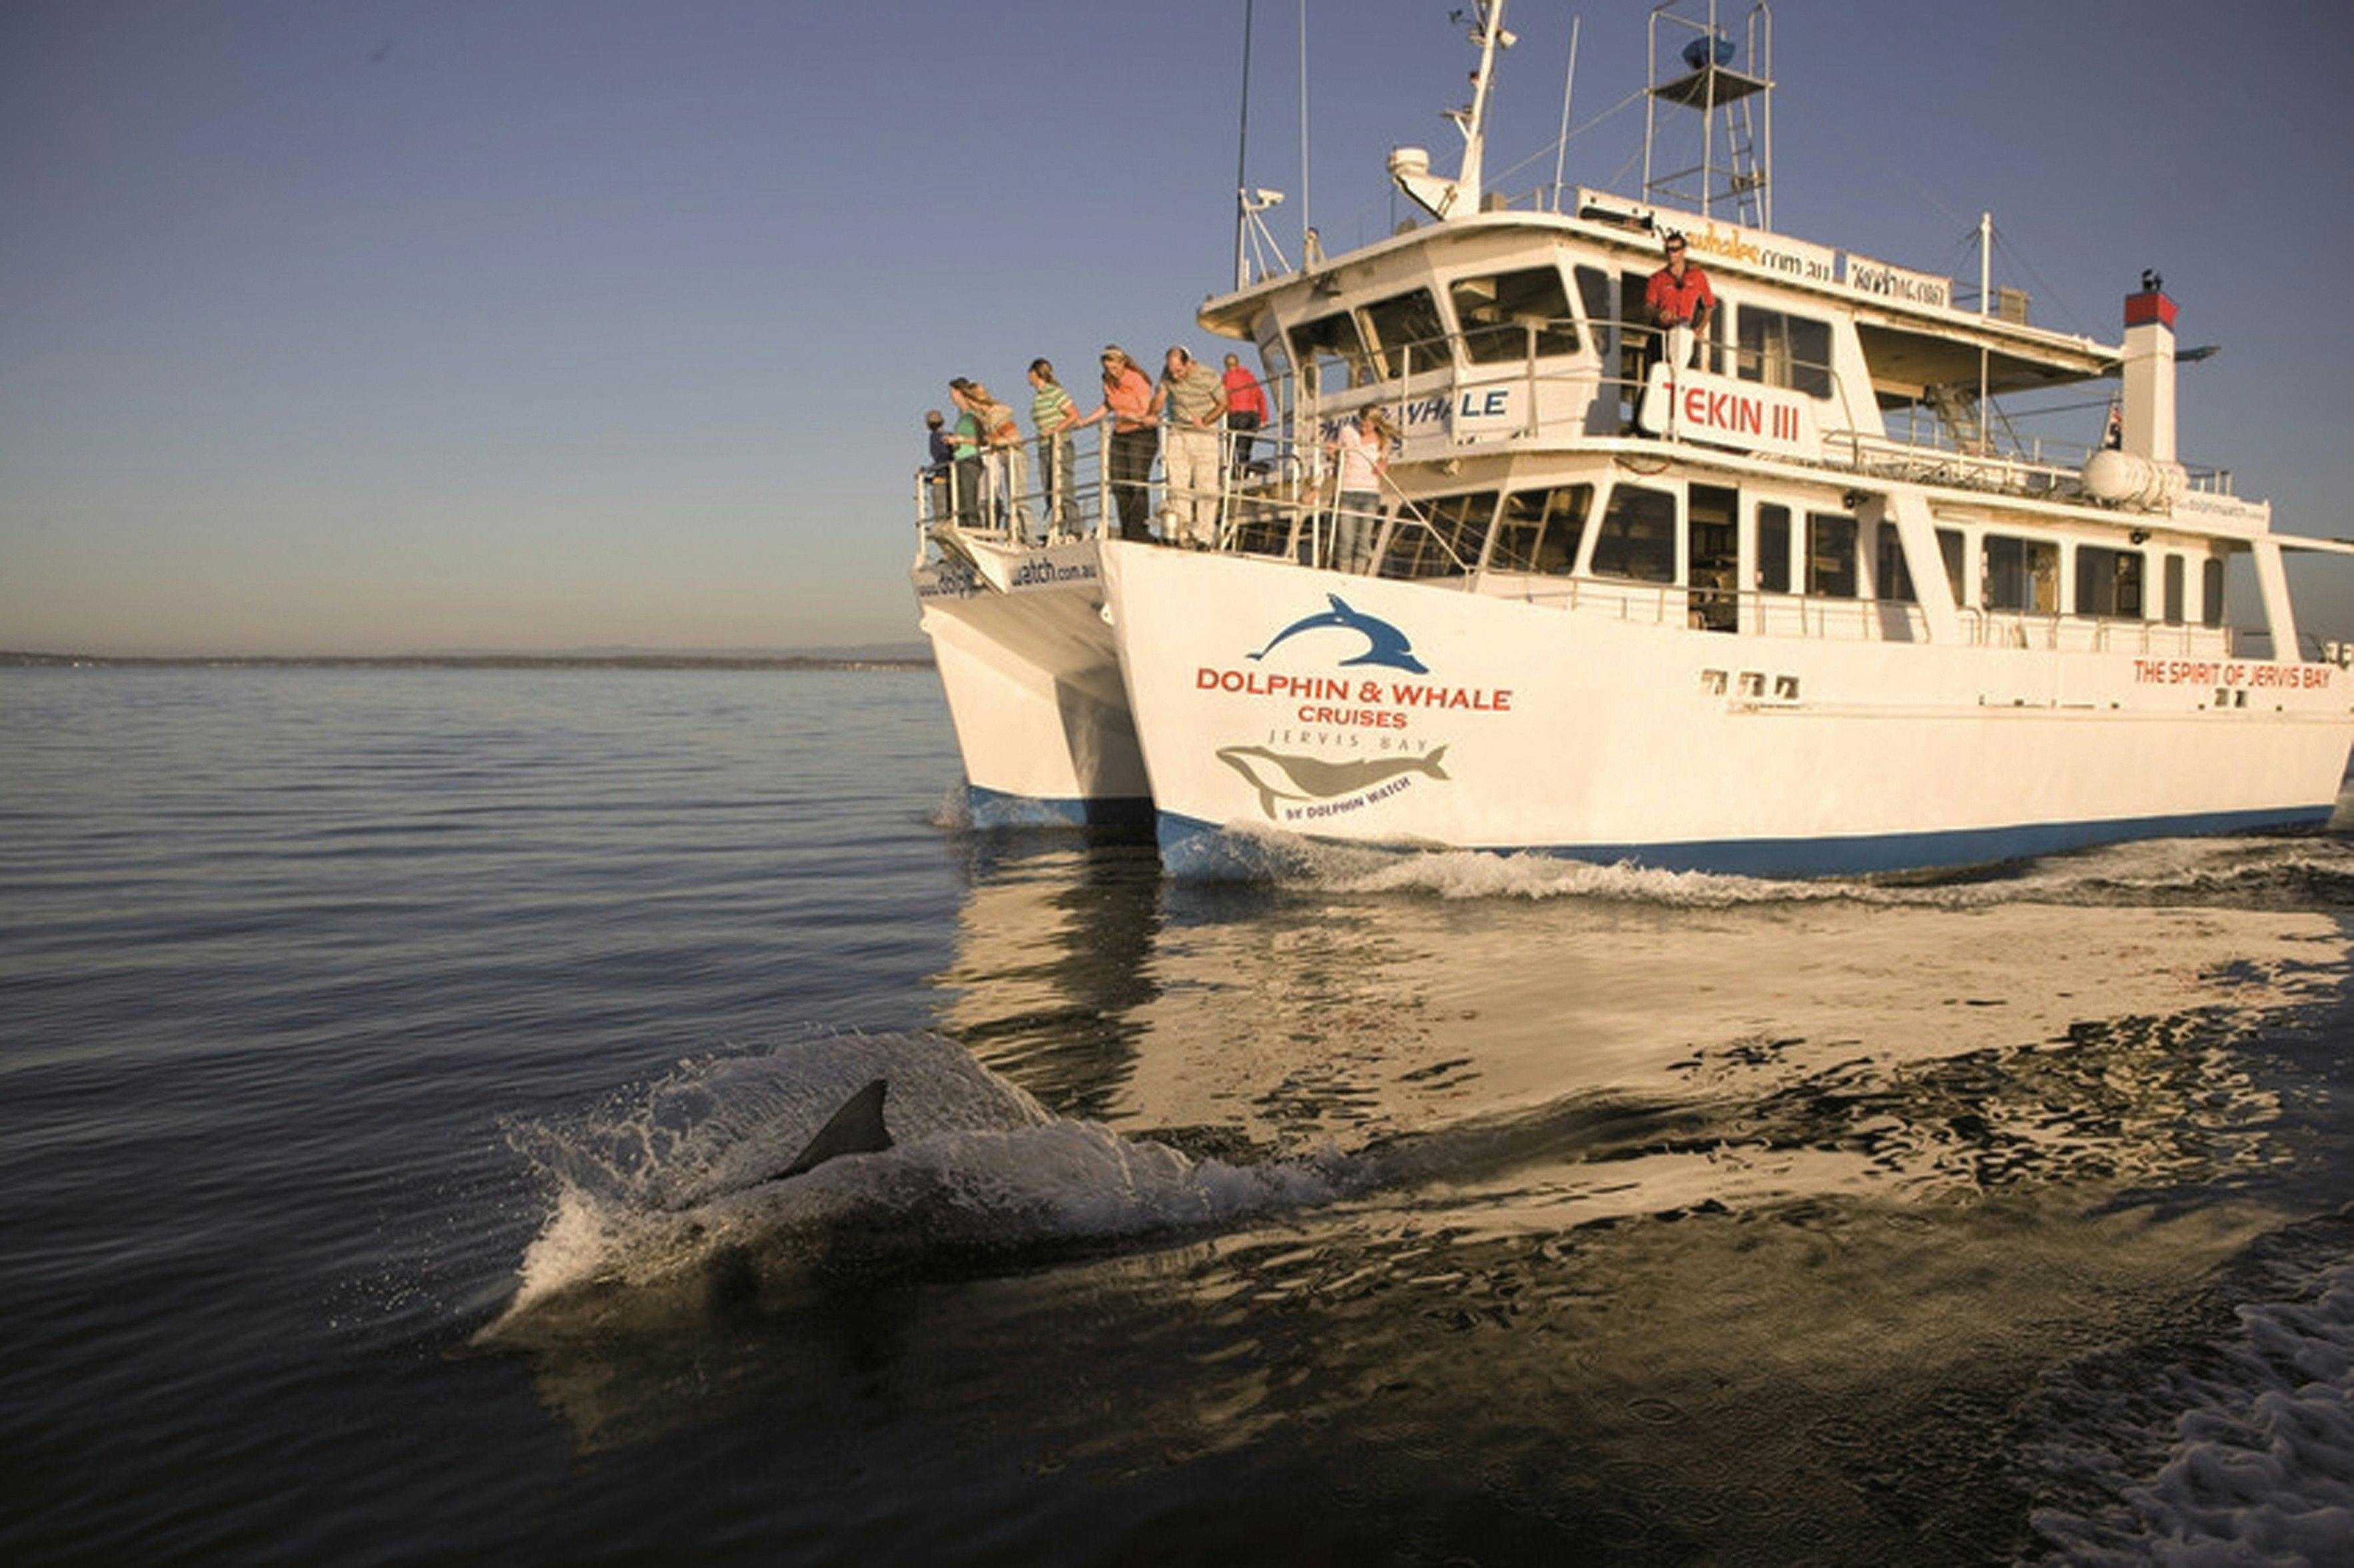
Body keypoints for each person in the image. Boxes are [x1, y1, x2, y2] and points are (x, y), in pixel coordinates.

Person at [1071, 344, 1158, 542]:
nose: (1113, 372)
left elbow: (1147, 409)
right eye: (1108, 369)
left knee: (1136, 481)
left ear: (1123, 363)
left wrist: (1130, 415)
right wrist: (1086, 420)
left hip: (1141, 433)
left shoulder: (1136, 379)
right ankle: (1127, 529)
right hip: (1120, 433)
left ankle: (1139, 530)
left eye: (1115, 368)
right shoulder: (1108, 381)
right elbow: (1108, 405)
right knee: (1118, 482)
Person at [1152, 346, 1229, 548]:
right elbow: (1158, 403)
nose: (1176, 376)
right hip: (1178, 431)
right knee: (1177, 483)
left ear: (1189, 363)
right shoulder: (1167, 375)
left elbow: (1223, 404)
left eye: (1180, 371)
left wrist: (1205, 420)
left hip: (1204, 433)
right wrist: (1157, 403)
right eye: (1172, 371)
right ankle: (1182, 532)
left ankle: (1204, 535)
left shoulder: (1208, 375)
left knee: (1206, 485)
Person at [1325, 406, 1391, 574]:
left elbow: (1384, 462)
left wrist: (1382, 466)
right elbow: (1337, 455)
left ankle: (1359, 575)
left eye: (1367, 425)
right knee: (1346, 538)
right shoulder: (1347, 432)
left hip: (1370, 493)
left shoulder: (1384, 441)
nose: (1363, 429)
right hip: (1347, 490)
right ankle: (1344, 573)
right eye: (1362, 424)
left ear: (1376, 424)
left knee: (1363, 539)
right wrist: (1333, 453)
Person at [966, 380, 1030, 536]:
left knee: (1019, 499)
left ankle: (1029, 535)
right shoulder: (987, 418)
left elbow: (1014, 439)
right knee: (1013, 499)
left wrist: (993, 442)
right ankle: (1021, 533)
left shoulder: (996, 415)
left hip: (1015, 456)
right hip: (1005, 458)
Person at [1028, 359, 1081, 538]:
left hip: (1060, 444)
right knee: (1049, 488)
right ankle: (1057, 527)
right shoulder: (1038, 397)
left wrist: (1054, 431)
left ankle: (1075, 529)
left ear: (1035, 373)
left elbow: (1073, 415)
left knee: (1064, 487)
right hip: (1043, 446)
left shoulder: (1055, 393)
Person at [1221, 352, 1267, 479]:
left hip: (1236, 415)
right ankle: (1243, 471)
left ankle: (1234, 473)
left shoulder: (1226, 378)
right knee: (1245, 446)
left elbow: (1223, 398)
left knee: (1231, 446)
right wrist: (1264, 418)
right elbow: (1260, 397)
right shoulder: (1249, 377)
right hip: (1252, 416)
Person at [945, 380, 984, 527]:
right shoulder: (961, 415)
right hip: (960, 459)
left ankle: (976, 531)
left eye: (952, 392)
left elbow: (982, 438)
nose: (951, 396)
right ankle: (964, 529)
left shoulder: (973, 413)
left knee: (969, 499)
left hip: (971, 459)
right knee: (960, 501)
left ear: (959, 392)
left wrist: (960, 439)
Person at [923, 409, 953, 522]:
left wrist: (930, 470)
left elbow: (941, 458)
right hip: (951, 478)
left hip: (941, 479)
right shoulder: (951, 436)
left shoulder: (934, 437)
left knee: (941, 518)